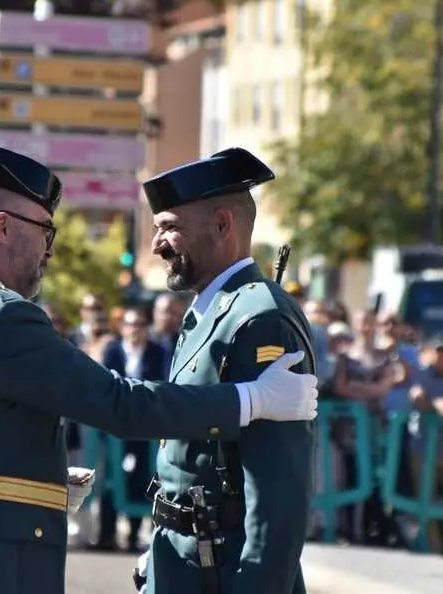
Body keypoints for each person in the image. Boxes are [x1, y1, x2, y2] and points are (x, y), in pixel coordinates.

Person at [0, 138, 318, 594]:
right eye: (45, 229)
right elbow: (118, 403)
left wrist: (31, 480)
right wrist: (253, 398)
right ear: (1, 227)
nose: (49, 249)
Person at [135, 147, 317, 594]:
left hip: (224, 571)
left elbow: (278, 493)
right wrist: (161, 548)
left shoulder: (260, 319)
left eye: (170, 228)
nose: (157, 245)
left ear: (222, 225)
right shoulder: (209, 311)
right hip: (185, 563)